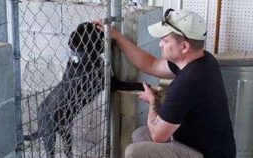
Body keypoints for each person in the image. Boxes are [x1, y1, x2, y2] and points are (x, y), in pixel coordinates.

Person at [95, 8, 236, 158]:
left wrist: (153, 101)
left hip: (207, 155)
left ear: (184, 47)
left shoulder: (187, 84)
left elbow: (158, 135)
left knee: (134, 152)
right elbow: (151, 64)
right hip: (205, 147)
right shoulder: (203, 60)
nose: (160, 44)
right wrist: (117, 36)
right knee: (141, 135)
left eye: (165, 40)